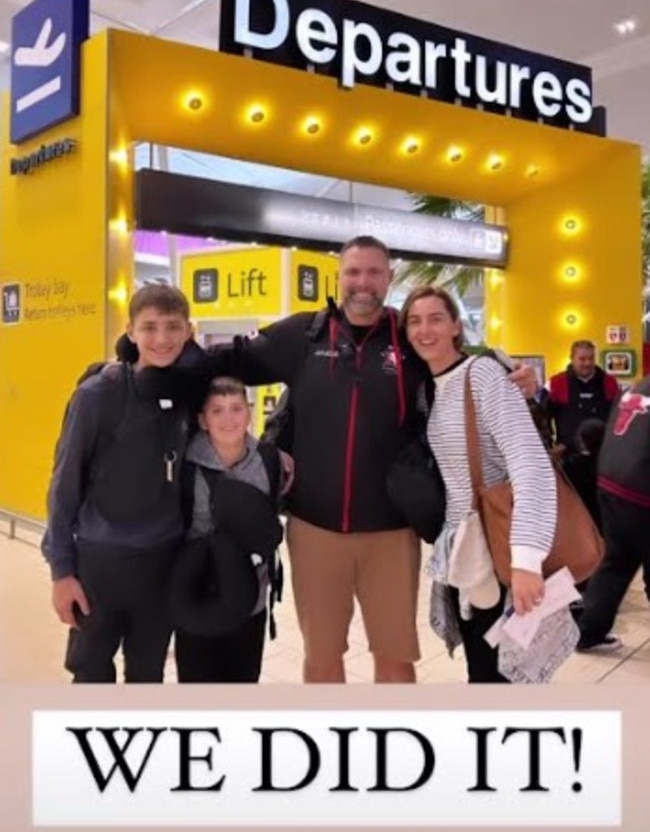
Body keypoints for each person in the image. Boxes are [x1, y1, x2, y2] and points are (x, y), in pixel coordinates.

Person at [117, 236, 536, 685]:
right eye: (353, 272)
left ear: (389, 278)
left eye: (374, 273)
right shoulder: (304, 334)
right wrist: (137, 358)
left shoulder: (408, 338)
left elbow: (455, 361)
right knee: (322, 659)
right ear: (339, 277)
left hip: (392, 534)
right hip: (314, 531)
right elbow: (230, 358)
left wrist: (509, 370)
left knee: (396, 661)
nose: (363, 283)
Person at [401, 285, 558, 683]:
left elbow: (530, 465)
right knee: (482, 669)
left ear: (456, 325)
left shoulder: (483, 375)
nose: (425, 329)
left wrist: (526, 561)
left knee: (504, 676)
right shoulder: (426, 390)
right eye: (415, 321)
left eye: (436, 318)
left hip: (502, 550)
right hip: (464, 552)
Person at [41, 285, 195, 683]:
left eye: (172, 327)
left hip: (161, 565)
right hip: (99, 565)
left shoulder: (187, 396)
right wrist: (62, 572)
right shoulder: (97, 396)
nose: (161, 339)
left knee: (147, 674)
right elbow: (64, 484)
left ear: (188, 331)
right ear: (130, 331)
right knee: (91, 675)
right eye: (150, 327)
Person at [173, 376, 284, 683]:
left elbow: (269, 523)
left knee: (243, 687)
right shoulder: (185, 462)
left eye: (236, 408)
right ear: (203, 420)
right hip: (196, 594)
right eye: (217, 410)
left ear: (249, 413)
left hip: (251, 601)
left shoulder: (268, 460)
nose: (228, 419)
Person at [576, 376, 650, 652]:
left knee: (616, 563)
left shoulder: (636, 387)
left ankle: (588, 633)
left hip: (610, 484)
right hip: (641, 492)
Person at [546, 341, 620, 456]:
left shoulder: (609, 383)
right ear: (572, 358)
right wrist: (549, 446)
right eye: (582, 359)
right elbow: (545, 418)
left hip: (602, 454)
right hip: (567, 455)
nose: (587, 363)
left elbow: (618, 417)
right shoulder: (557, 383)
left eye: (591, 358)